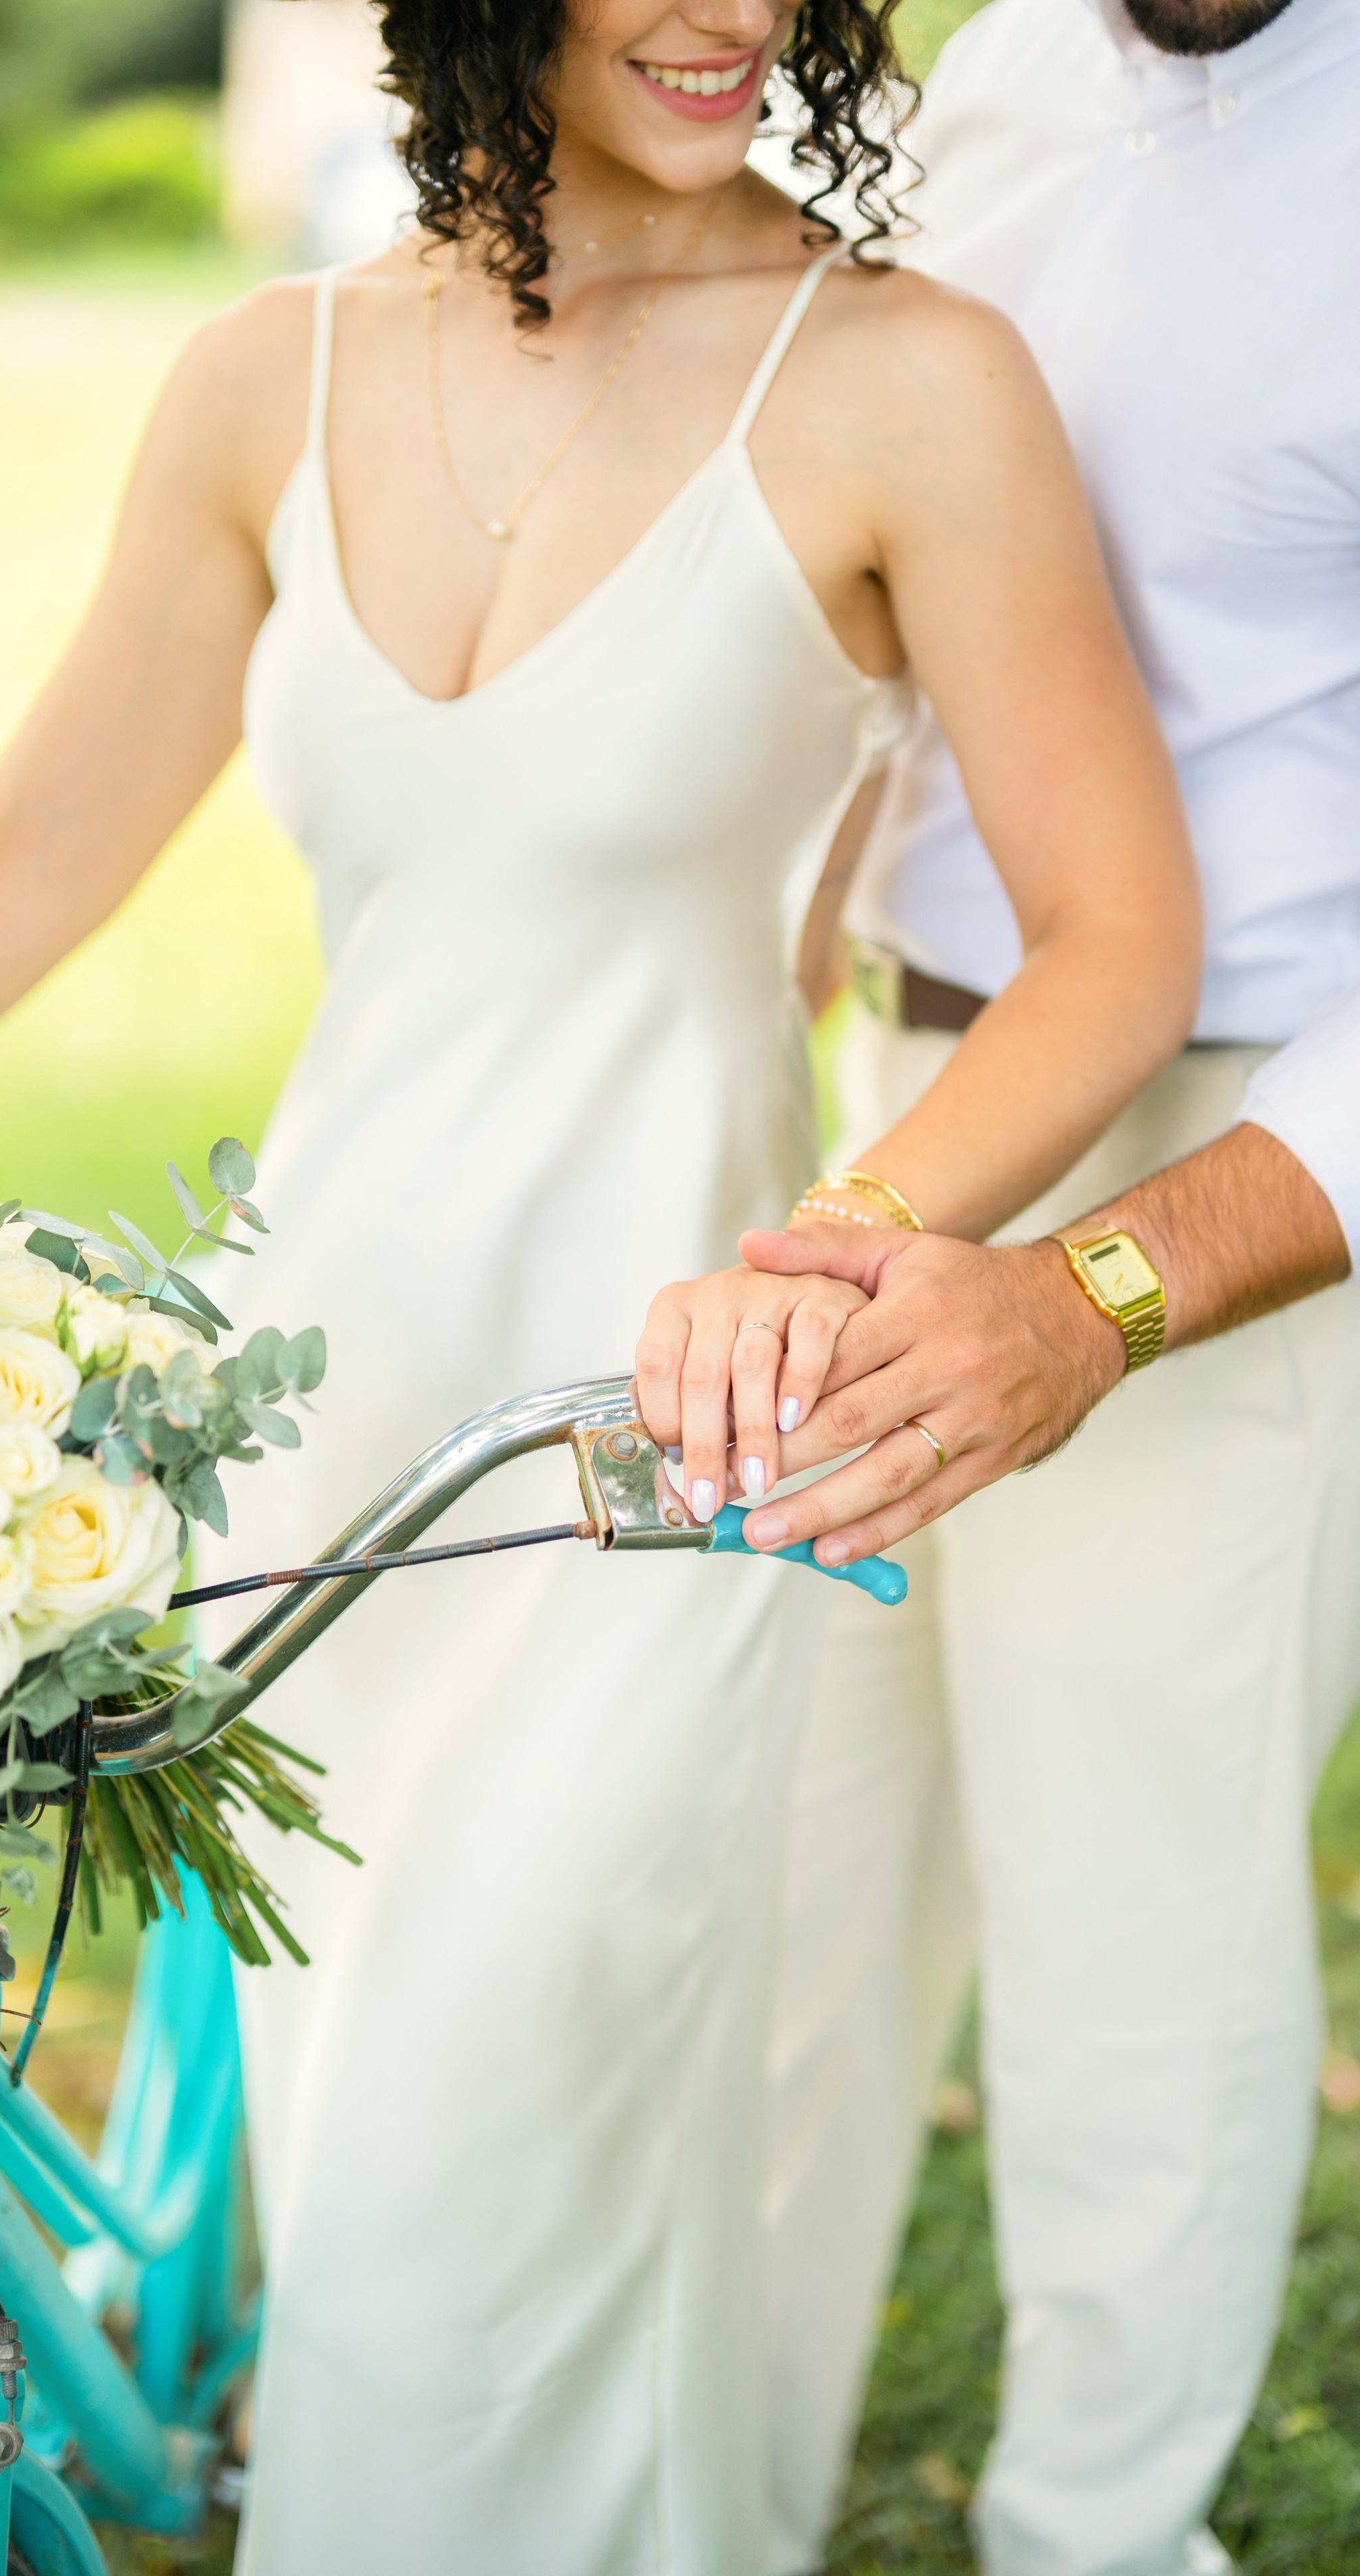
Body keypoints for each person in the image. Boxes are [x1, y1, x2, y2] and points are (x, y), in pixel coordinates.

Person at [0, 3, 1204, 2566]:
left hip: (661, 1422)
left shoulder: (909, 378)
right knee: (360, 2134)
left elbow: (1116, 939)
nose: (735, 13)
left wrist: (845, 1249)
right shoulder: (269, 375)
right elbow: (4, 881)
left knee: (464, 2201)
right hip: (295, 1408)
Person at [637, 1, 1360, 2569]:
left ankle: (1097, 2543)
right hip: (919, 1122)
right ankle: (703, 2506)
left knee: (1128, 1940)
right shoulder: (995, 83)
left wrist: (1104, 1294)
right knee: (792, 1872)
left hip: (1246, 1168)